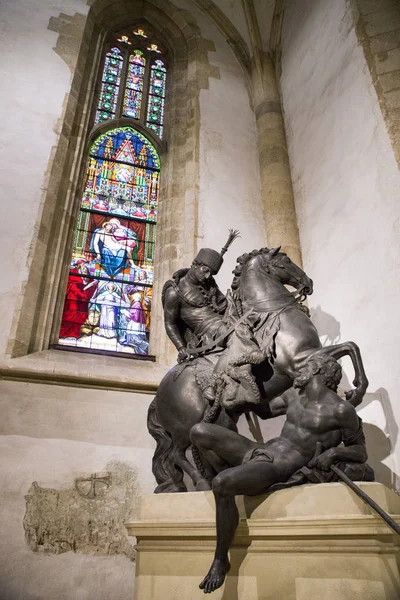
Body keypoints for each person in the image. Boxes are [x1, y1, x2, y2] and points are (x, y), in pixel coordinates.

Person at [190, 354, 372, 594]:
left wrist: (334, 455)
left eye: (305, 366)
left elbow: (360, 452)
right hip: (261, 451)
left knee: (221, 483)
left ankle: (221, 560)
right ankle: (238, 480)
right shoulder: (294, 396)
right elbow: (264, 410)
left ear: (317, 370)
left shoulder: (341, 410)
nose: (299, 372)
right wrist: (244, 378)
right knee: (199, 431)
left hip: (280, 466)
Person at [163, 231, 262, 402]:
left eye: (211, 273)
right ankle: (215, 380)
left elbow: (222, 304)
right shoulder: (175, 291)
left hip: (222, 321)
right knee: (237, 330)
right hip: (207, 332)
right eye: (205, 271)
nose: (208, 276)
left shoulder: (208, 284)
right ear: (195, 265)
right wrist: (181, 347)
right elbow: (170, 323)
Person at [59, 260, 98, 339]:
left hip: (82, 300)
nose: (84, 266)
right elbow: (69, 284)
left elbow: (91, 282)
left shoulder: (86, 274)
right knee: (70, 315)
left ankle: (75, 333)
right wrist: (79, 290)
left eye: (84, 264)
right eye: (82, 264)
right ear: (78, 265)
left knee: (80, 316)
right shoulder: (72, 272)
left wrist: (91, 285)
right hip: (72, 298)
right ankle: (65, 332)